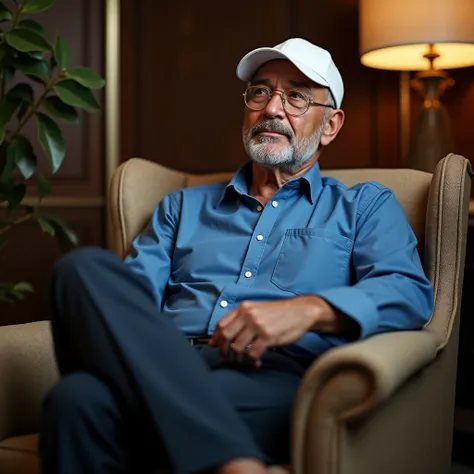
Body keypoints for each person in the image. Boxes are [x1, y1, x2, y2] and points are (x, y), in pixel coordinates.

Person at [39, 38, 434, 474]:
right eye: (260, 92)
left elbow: (409, 292)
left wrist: (308, 310)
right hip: (168, 362)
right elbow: (128, 305)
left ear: (331, 125)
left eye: (297, 96)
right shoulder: (180, 207)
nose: (271, 109)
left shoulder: (363, 206)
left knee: (75, 401)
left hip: (273, 377)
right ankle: (235, 461)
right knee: (80, 271)